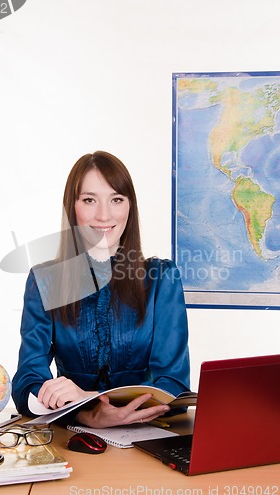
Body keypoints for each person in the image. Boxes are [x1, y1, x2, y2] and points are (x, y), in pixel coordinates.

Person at [12, 151, 190, 428]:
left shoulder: (162, 278)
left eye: (116, 199)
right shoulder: (44, 280)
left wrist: (92, 398)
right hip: (73, 439)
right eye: (89, 200)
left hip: (150, 440)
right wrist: (85, 414)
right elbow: (27, 381)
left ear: (130, 207)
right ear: (73, 207)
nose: (104, 214)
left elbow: (174, 385)